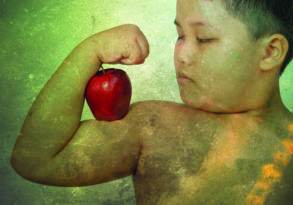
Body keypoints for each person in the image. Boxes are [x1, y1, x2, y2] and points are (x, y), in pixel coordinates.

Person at [11, 0, 293, 204]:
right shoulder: (154, 126)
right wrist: (89, 52)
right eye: (180, 35)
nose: (181, 55)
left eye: (204, 38)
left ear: (270, 52)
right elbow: (35, 160)